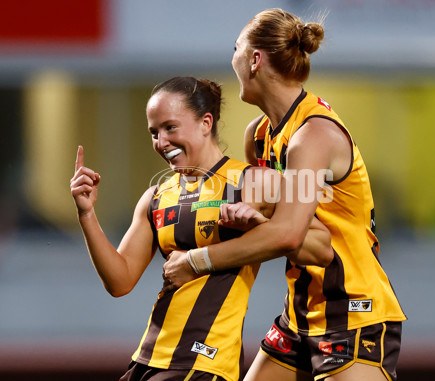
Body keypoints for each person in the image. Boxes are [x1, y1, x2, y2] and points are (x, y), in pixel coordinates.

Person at [163, 9, 407, 381]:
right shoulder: (258, 135)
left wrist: (197, 260)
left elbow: (288, 235)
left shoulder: (313, 135)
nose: (232, 60)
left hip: (353, 312)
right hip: (299, 313)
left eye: (236, 49)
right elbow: (288, 233)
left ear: (255, 60)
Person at [70, 76, 332, 381]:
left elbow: (321, 247)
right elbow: (119, 281)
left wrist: (262, 225)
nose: (161, 142)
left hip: (204, 362)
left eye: (170, 127)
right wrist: (87, 214)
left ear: (206, 123)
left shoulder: (254, 182)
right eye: (154, 132)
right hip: (149, 357)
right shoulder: (156, 196)